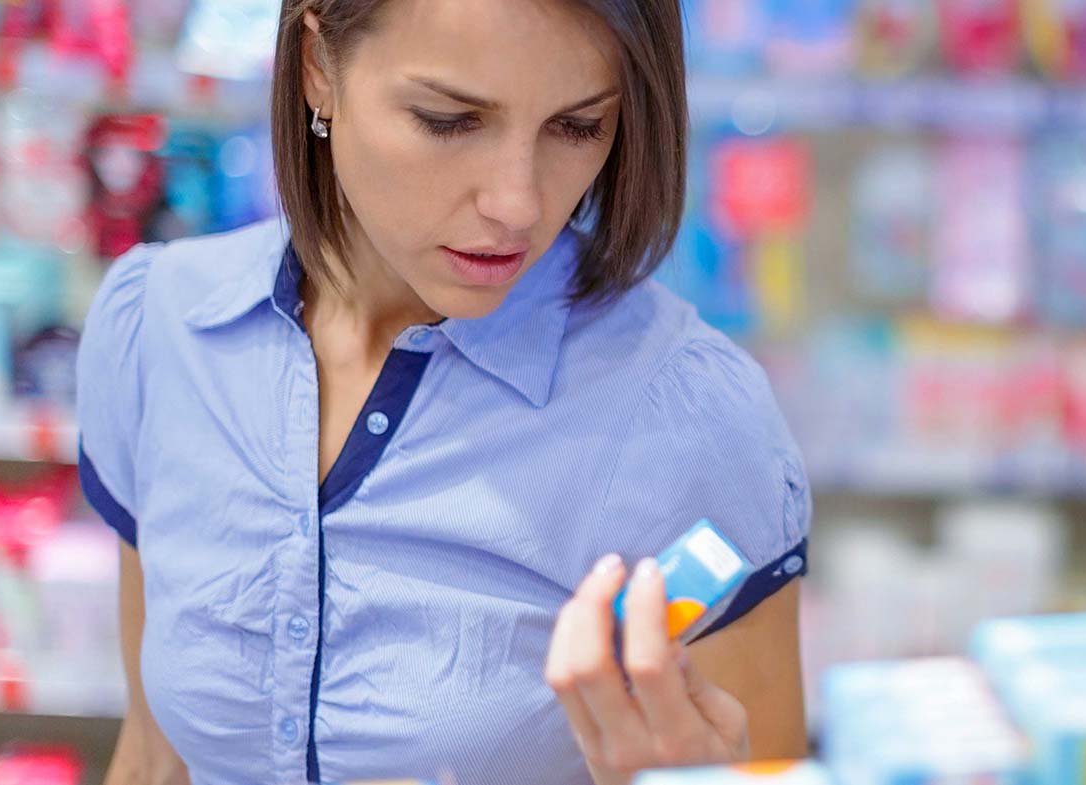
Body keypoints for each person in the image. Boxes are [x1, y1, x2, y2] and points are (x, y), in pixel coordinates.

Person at [76, 1, 810, 783]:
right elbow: (155, 758)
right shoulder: (162, 324)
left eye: (577, 127)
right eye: (450, 120)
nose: (516, 204)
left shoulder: (690, 418)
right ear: (318, 67)